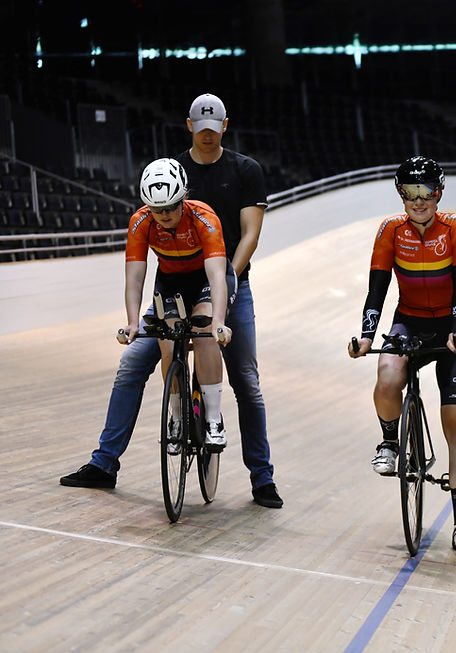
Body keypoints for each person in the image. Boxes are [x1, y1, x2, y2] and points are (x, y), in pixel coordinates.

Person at [61, 93, 283, 510]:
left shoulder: (244, 170)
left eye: (213, 132)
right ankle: (105, 463)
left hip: (225, 279)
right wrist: (132, 320)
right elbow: (136, 271)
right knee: (130, 367)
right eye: (200, 131)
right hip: (172, 286)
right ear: (188, 127)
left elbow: (249, 234)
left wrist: (228, 288)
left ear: (224, 127)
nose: (206, 138)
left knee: (247, 383)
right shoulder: (168, 174)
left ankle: (262, 477)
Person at [349, 156, 456, 554]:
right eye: (410, 193)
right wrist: (367, 335)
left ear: (438, 194)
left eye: (426, 193)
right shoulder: (391, 229)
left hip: (454, 329)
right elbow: (377, 289)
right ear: (400, 194)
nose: (418, 201)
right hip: (409, 321)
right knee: (387, 376)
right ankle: (390, 442)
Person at [126, 158, 233, 446]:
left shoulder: (204, 218)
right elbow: (135, 278)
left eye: (171, 207)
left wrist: (219, 322)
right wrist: (133, 322)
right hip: (171, 282)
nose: (164, 215)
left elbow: (217, 277)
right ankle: (175, 415)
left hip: (206, 281)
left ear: (183, 197)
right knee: (167, 340)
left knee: (204, 333)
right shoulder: (140, 222)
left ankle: (212, 419)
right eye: (156, 209)